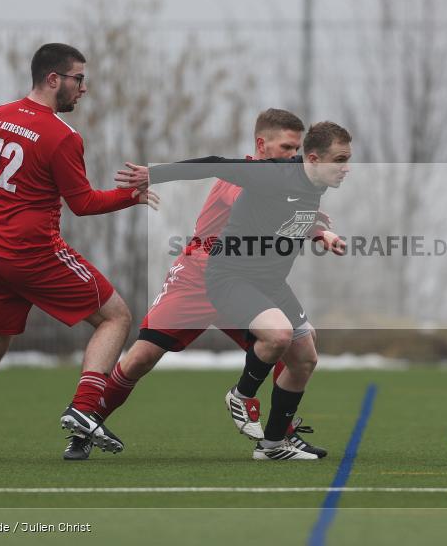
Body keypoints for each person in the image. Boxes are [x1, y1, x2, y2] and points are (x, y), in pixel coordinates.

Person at [64, 109, 339, 460]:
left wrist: (313, 224)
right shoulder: (245, 178)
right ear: (261, 145)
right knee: (140, 358)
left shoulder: (284, 178)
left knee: (288, 347)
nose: (293, 155)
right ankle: (87, 425)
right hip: (198, 276)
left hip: (245, 279)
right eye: (287, 147)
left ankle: (277, 436)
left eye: (297, 147)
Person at [0, 43, 157, 462]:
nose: (84, 88)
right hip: (34, 253)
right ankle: (84, 407)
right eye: (79, 79)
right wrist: (131, 196)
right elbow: (84, 203)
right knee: (116, 316)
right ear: (53, 79)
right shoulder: (61, 136)